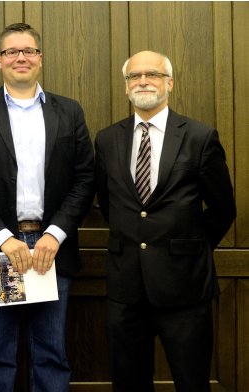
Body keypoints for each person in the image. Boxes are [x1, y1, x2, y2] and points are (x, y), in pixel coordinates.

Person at [0, 23, 95, 392]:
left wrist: (55, 234)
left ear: (40, 59)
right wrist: (3, 238)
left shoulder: (69, 111)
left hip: (51, 251)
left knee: (51, 353)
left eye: (28, 51)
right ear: (0, 60)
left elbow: (84, 179)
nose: (21, 57)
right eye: (12, 52)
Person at [94, 50, 236, 392]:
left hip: (184, 287)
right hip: (126, 289)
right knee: (128, 384)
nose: (143, 81)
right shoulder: (108, 139)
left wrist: (189, 248)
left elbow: (222, 209)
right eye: (134, 76)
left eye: (153, 75)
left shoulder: (200, 137)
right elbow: (108, 203)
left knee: (192, 382)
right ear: (126, 87)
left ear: (169, 83)